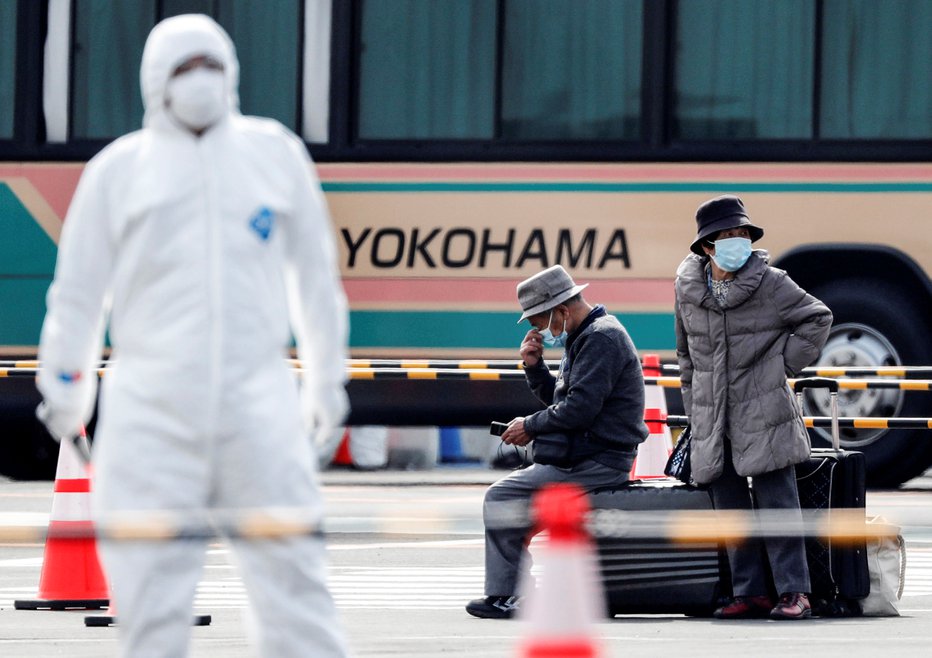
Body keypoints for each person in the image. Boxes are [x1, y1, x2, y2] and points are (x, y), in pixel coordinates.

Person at [35, 14, 349, 657]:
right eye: (184, 68)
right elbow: (76, 300)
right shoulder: (118, 172)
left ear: (233, 73)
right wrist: (66, 396)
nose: (199, 80)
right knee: (151, 610)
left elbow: (316, 283)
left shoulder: (273, 154)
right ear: (155, 79)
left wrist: (327, 383)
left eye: (212, 65)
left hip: (258, 404)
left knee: (297, 598)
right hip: (149, 414)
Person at [674, 195, 833, 621]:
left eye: (742, 233)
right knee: (729, 505)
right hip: (712, 413)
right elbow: (685, 353)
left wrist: (781, 363)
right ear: (706, 246)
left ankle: (795, 592)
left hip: (764, 408)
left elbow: (817, 317)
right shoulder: (687, 287)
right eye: (727, 235)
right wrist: (694, 404)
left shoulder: (772, 282)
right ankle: (750, 592)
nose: (737, 242)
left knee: (778, 500)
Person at [466, 264, 648, 619]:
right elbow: (564, 401)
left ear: (561, 311)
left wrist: (529, 426)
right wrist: (535, 367)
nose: (539, 331)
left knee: (502, 497)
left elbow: (579, 409)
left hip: (595, 460)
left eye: (539, 322)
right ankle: (516, 591)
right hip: (583, 455)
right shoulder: (584, 335)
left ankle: (513, 595)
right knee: (513, 500)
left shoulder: (601, 338)